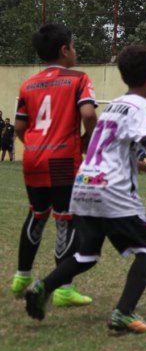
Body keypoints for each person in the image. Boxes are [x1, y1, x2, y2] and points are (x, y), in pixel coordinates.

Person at [24, 45, 146, 333]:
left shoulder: (114, 106)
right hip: (111, 189)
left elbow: (106, 148)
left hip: (85, 185)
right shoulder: (141, 107)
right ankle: (123, 313)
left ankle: (42, 287)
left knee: (87, 254)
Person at [10, 23, 97, 306]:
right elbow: (88, 113)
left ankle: (22, 276)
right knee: (65, 220)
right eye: (73, 45)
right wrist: (88, 139)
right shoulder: (78, 79)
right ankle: (64, 289)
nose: (75, 50)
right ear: (64, 50)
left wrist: (36, 145)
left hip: (33, 157)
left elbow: (19, 127)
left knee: (37, 214)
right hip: (62, 159)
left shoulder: (28, 84)